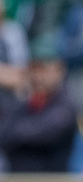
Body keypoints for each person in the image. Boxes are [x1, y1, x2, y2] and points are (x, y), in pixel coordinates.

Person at [0, 39, 77, 173]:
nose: (38, 77)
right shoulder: (24, 101)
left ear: (59, 70)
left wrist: (17, 131)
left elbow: (46, 133)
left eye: (44, 70)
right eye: (34, 69)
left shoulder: (66, 104)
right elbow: (4, 135)